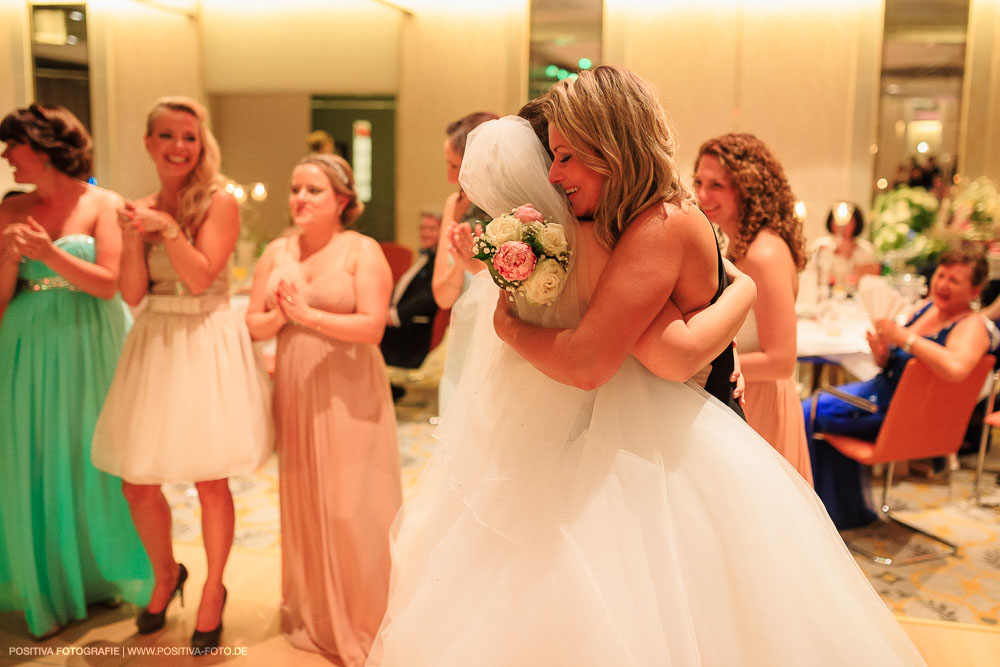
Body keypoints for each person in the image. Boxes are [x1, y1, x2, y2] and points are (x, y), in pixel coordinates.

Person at [369, 68, 923, 666]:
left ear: (612, 145)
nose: (555, 175)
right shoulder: (614, 223)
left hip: (667, 442)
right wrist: (737, 292)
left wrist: (509, 326)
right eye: (551, 158)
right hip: (645, 430)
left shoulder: (656, 224)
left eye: (567, 157)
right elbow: (660, 346)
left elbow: (623, 358)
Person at [91, 97, 272, 653]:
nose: (178, 147)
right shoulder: (137, 207)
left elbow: (199, 280)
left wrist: (168, 231)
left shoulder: (218, 201)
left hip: (204, 336)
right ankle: (167, 573)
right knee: (137, 479)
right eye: (166, 136)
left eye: (189, 137)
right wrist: (128, 236)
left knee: (209, 477)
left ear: (202, 144)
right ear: (149, 143)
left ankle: (214, 588)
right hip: (155, 340)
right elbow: (131, 293)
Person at [0, 104, 152, 639]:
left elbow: (109, 283)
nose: (5, 157)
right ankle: (44, 584)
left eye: (11, 146)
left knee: (94, 455)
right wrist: (12, 260)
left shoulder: (102, 203)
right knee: (35, 456)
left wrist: (47, 251)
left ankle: (100, 572)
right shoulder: (9, 207)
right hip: (27, 343)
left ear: (41, 149)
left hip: (91, 339)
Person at [246, 154, 401, 664]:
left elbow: (372, 327)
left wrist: (306, 315)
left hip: (348, 388)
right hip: (294, 384)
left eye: (313, 190)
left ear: (341, 200)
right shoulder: (275, 251)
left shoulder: (362, 250)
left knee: (352, 502)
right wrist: (279, 313)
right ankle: (313, 609)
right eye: (295, 189)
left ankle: (363, 616)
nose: (299, 199)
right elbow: (254, 324)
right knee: (305, 496)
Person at [805, 250, 999, 529]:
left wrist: (905, 339)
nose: (943, 284)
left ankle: (816, 516)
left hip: (900, 414)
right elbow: (898, 365)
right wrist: (883, 352)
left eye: (954, 280)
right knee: (811, 407)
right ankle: (838, 511)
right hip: (879, 396)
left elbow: (957, 368)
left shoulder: (972, 326)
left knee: (806, 412)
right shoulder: (928, 309)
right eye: (941, 275)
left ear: (975, 290)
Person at [694, 133, 813, 483]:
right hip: (743, 391)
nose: (702, 195)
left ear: (748, 188)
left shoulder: (765, 253)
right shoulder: (741, 245)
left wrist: (702, 365)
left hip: (761, 399)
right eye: (699, 182)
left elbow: (782, 360)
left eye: (717, 185)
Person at [431, 111, 498, 410]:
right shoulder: (454, 205)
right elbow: (442, 297)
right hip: (463, 334)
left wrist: (477, 265)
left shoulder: (515, 206)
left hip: (500, 336)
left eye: (455, 166)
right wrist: (458, 267)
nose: (448, 177)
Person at [381, 211, 441, 370]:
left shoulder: (440, 262)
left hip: (412, 334)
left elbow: (429, 295)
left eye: (432, 228)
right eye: (422, 228)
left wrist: (395, 315)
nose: (425, 233)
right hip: (402, 326)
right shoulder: (425, 259)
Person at [808, 203, 879, 291]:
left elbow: (873, 278)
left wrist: (850, 256)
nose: (842, 226)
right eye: (837, 220)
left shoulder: (865, 249)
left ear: (856, 223)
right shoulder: (819, 245)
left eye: (848, 221)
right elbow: (810, 274)